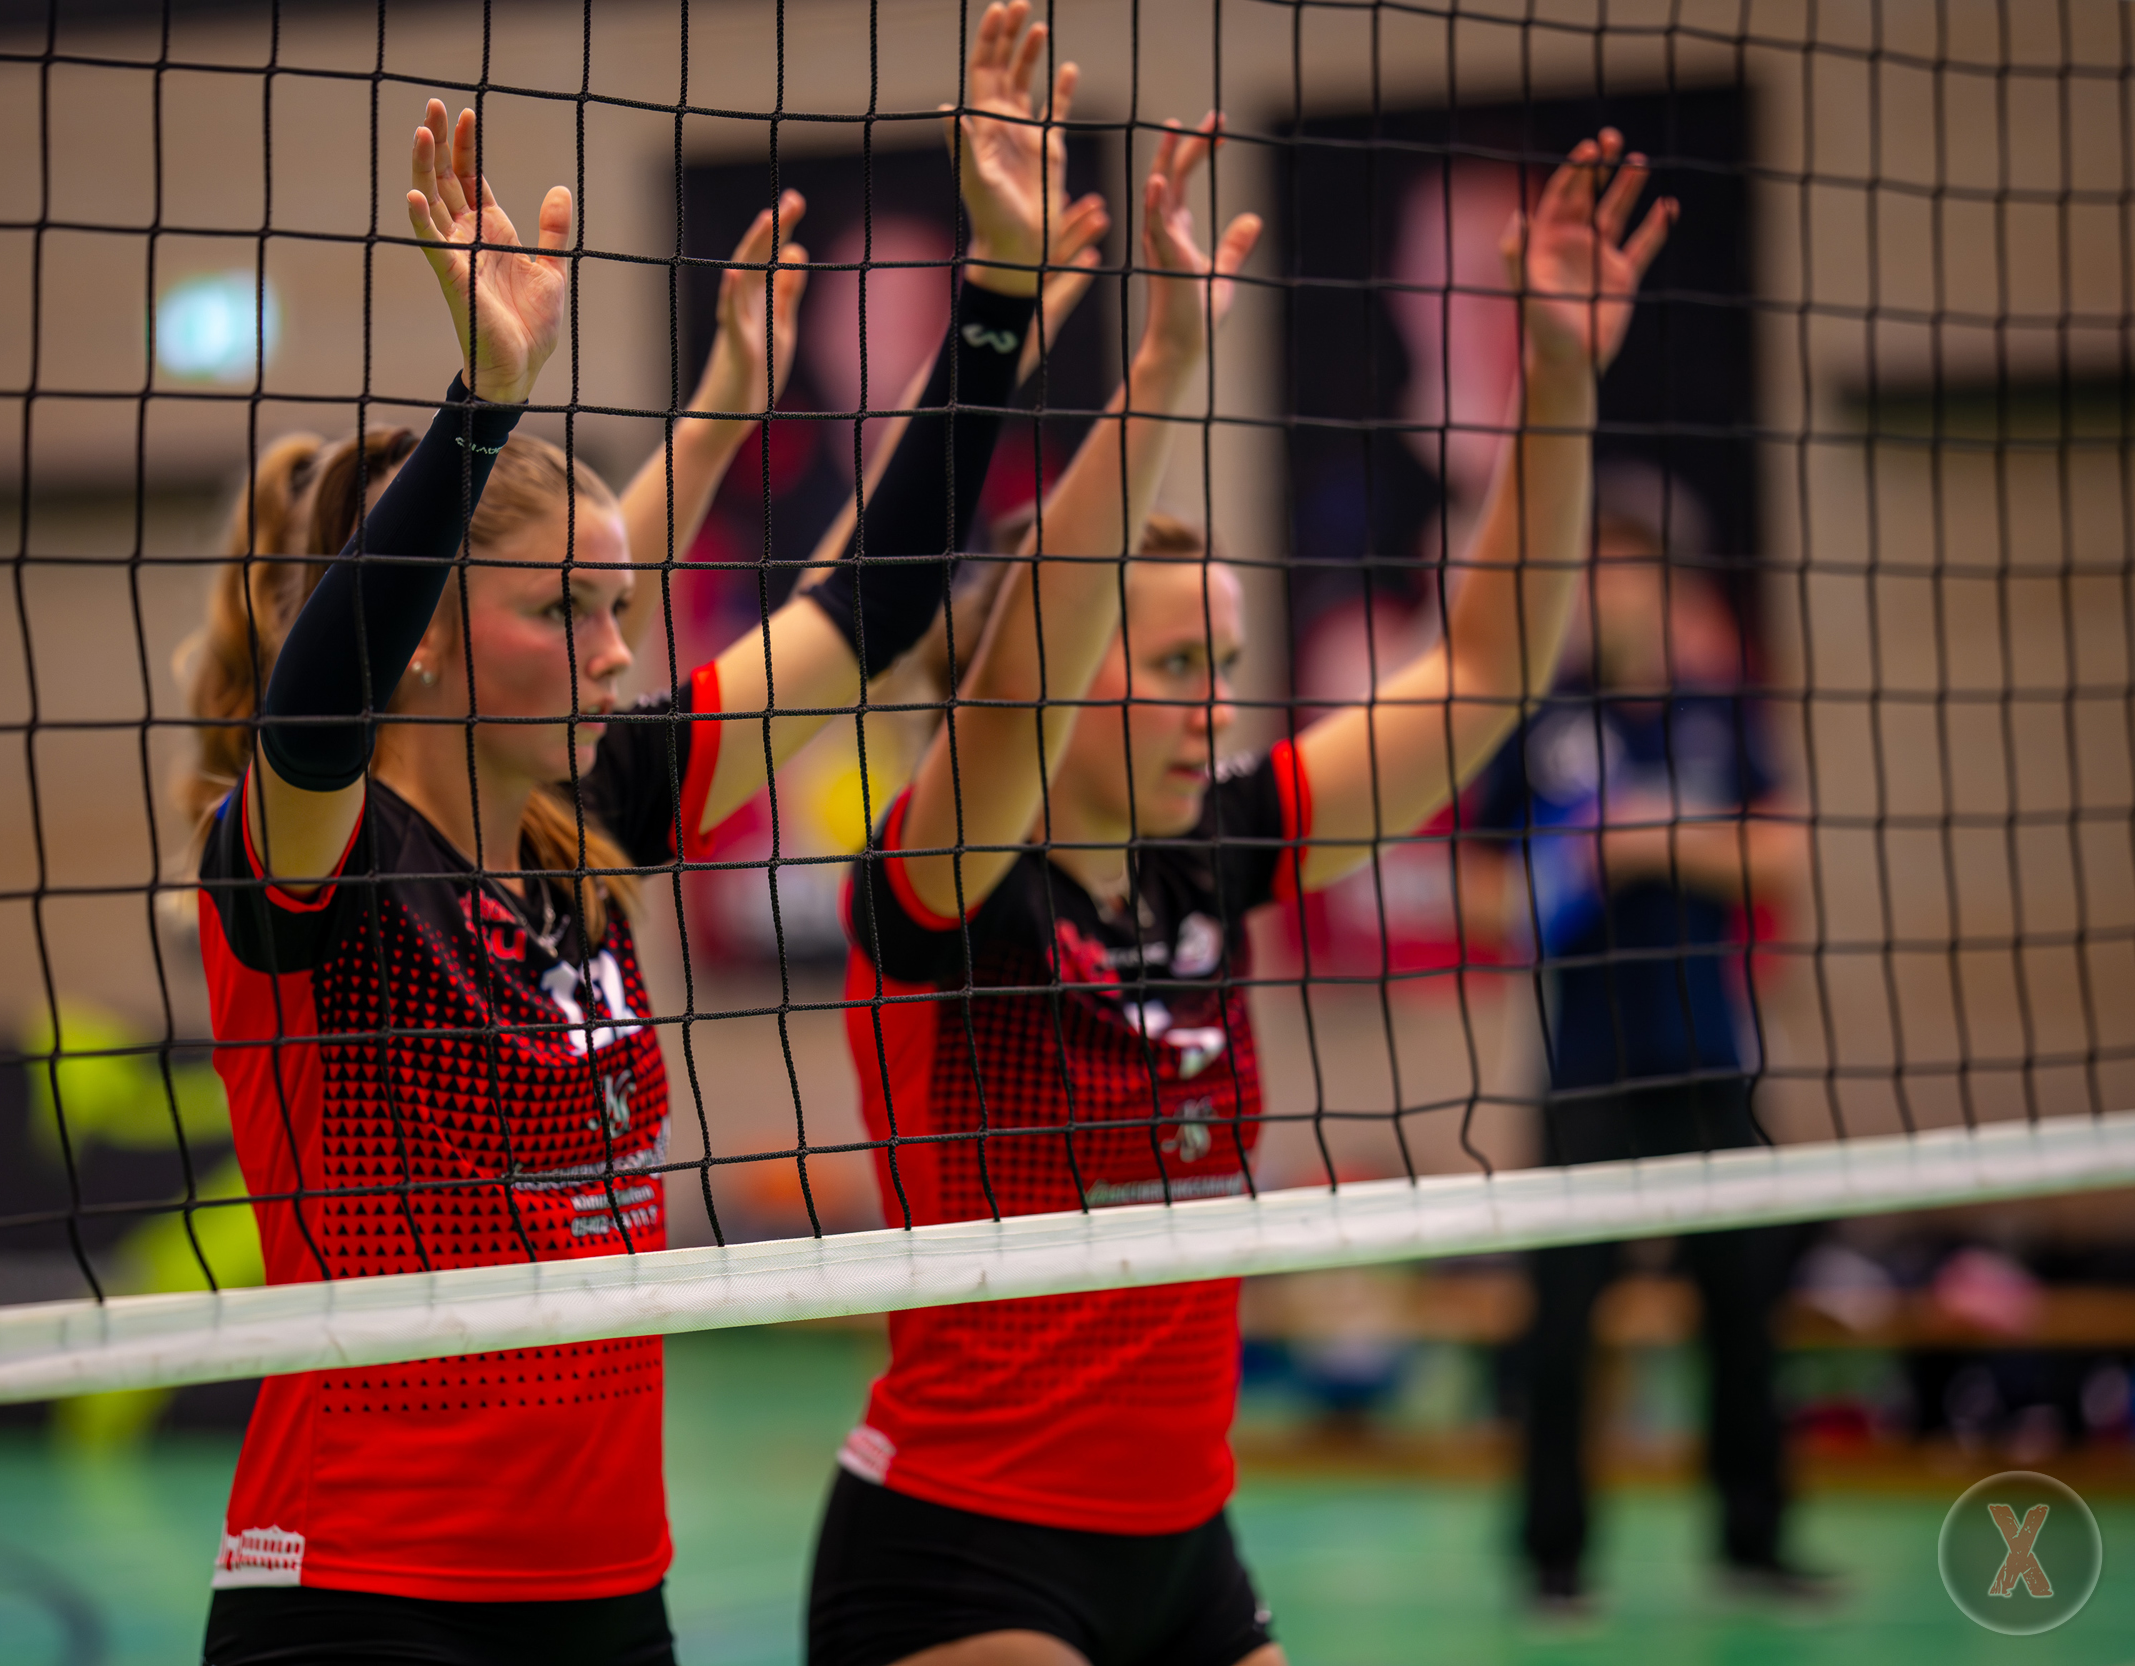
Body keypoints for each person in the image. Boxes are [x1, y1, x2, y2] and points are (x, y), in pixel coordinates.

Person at [186, 15, 1106, 1656]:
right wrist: (488, 401)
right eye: (565, 611)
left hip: (612, 1594)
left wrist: (1001, 301)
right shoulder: (316, 867)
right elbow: (311, 710)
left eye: (621, 608)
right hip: (368, 1595)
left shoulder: (590, 823)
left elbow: (874, 607)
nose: (621, 652)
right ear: (426, 641)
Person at [810, 128, 1674, 1666]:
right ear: (1070, 678)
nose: (1217, 702)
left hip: (1187, 1542)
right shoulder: (947, 874)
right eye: (1170, 668)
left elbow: (1480, 674)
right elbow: (1009, 697)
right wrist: (1167, 362)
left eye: (1222, 662)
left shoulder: (1216, 843)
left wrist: (1557, 379)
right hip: (967, 1550)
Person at [1478, 476, 1816, 1612]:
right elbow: (1477, 890)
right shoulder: (1539, 720)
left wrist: (1657, 840)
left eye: (1622, 562)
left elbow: (1781, 858)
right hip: (1585, 1072)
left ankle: (1755, 1542)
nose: (1599, 585)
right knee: (1562, 1326)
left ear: (1667, 580)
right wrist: (1567, 867)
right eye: (1587, 563)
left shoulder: (1718, 710)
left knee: (1746, 1311)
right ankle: (1554, 1560)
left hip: (1710, 1060)